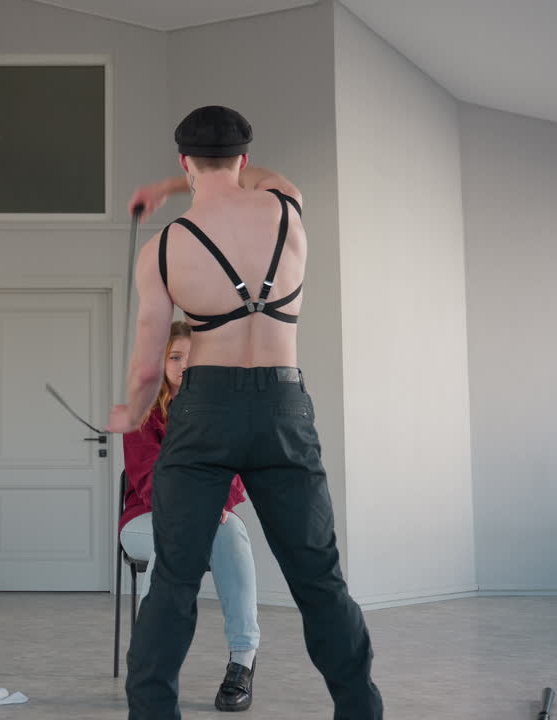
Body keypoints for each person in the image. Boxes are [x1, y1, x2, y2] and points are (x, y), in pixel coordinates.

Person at [107, 106, 383, 720]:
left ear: (185, 160)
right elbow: (260, 178)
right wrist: (177, 184)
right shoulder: (287, 209)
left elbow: (149, 368)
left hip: (205, 408)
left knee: (175, 580)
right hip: (284, 405)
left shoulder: (165, 247)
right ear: (244, 158)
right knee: (319, 579)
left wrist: (129, 415)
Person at [120, 320, 261, 712]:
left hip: (208, 517)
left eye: (192, 358)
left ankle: (242, 660)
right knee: (173, 538)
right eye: (175, 357)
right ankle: (152, 664)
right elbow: (149, 479)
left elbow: (235, 474)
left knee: (232, 532)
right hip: (145, 519)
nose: (184, 366)